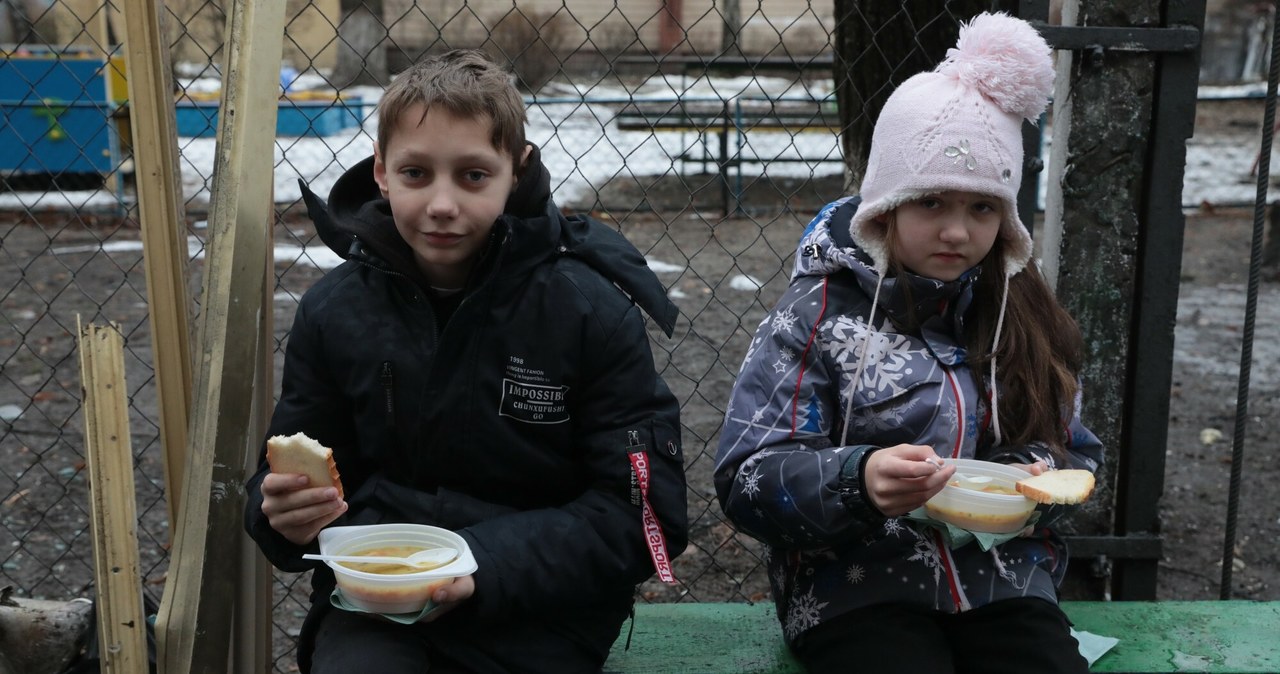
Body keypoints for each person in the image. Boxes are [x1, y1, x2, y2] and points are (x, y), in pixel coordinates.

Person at [244, 49, 688, 674]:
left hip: (542, 611)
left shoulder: (589, 311)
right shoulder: (335, 311)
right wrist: (278, 516)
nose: (443, 204)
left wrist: (479, 561)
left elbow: (647, 513)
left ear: (518, 169)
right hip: (376, 612)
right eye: (417, 173)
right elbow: (291, 471)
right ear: (381, 173)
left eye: (474, 175)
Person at [714, 13, 1102, 674]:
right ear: (885, 207)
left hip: (1002, 581)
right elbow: (748, 476)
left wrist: (1034, 476)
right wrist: (857, 479)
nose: (957, 231)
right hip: (854, 589)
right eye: (931, 204)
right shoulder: (817, 316)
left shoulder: (1019, 309)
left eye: (982, 208)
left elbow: (1078, 450)